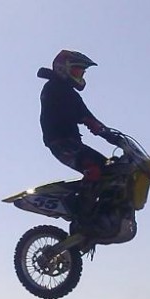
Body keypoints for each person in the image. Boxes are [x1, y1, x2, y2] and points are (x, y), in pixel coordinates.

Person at [37, 49, 121, 221]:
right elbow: (81, 115)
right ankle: (81, 213)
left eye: (82, 72)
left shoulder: (68, 92)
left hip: (71, 142)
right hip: (60, 142)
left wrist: (109, 134)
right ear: (63, 68)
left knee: (110, 168)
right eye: (77, 70)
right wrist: (95, 126)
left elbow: (88, 116)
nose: (80, 74)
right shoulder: (54, 88)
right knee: (94, 169)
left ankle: (105, 210)